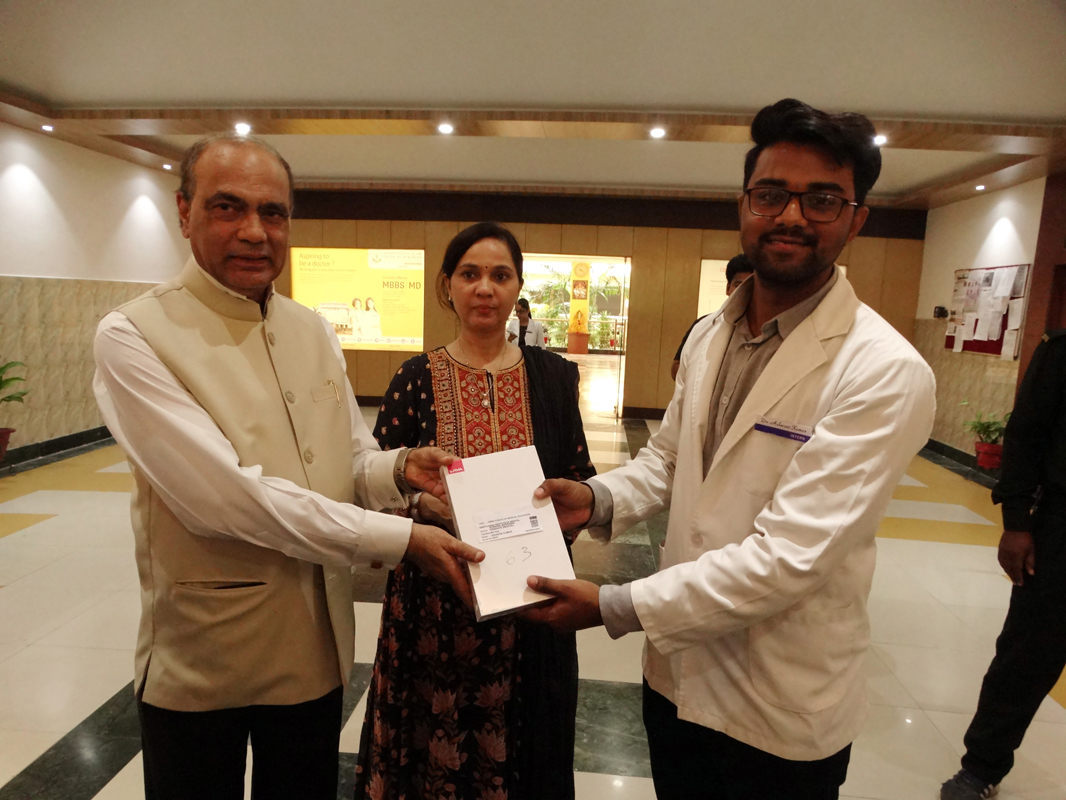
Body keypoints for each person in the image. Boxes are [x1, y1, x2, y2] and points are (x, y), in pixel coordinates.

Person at [523, 99, 937, 800]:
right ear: (744, 205)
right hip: (678, 678)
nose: (791, 215)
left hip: (778, 702)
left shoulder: (883, 371)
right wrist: (595, 499)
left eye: (822, 199)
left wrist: (614, 604)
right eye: (771, 194)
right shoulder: (712, 335)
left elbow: (789, 558)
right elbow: (670, 459)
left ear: (856, 219)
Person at [92, 133, 483, 800]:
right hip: (205, 659)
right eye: (228, 207)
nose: (254, 231)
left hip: (314, 650)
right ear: (184, 211)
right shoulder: (134, 334)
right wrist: (404, 539)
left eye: (273, 212)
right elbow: (228, 502)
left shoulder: (312, 329)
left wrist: (399, 471)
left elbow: (348, 458)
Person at [354, 222, 595, 800]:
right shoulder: (415, 378)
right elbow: (375, 484)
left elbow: (580, 475)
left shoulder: (554, 378)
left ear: (517, 288)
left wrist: (559, 513)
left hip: (529, 600)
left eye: (500, 275)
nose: (485, 288)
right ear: (448, 286)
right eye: (470, 274)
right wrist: (423, 503)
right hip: (433, 601)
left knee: (525, 746)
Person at [940, 331, 1066, 800]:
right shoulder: (1060, 353)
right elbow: (1026, 434)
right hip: (1060, 525)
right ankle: (981, 766)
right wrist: (1017, 522)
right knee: (1027, 655)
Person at [671, 254, 754, 379]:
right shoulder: (703, 325)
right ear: (728, 288)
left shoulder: (765, 329)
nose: (744, 292)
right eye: (738, 285)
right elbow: (677, 366)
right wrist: (701, 375)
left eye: (751, 287)